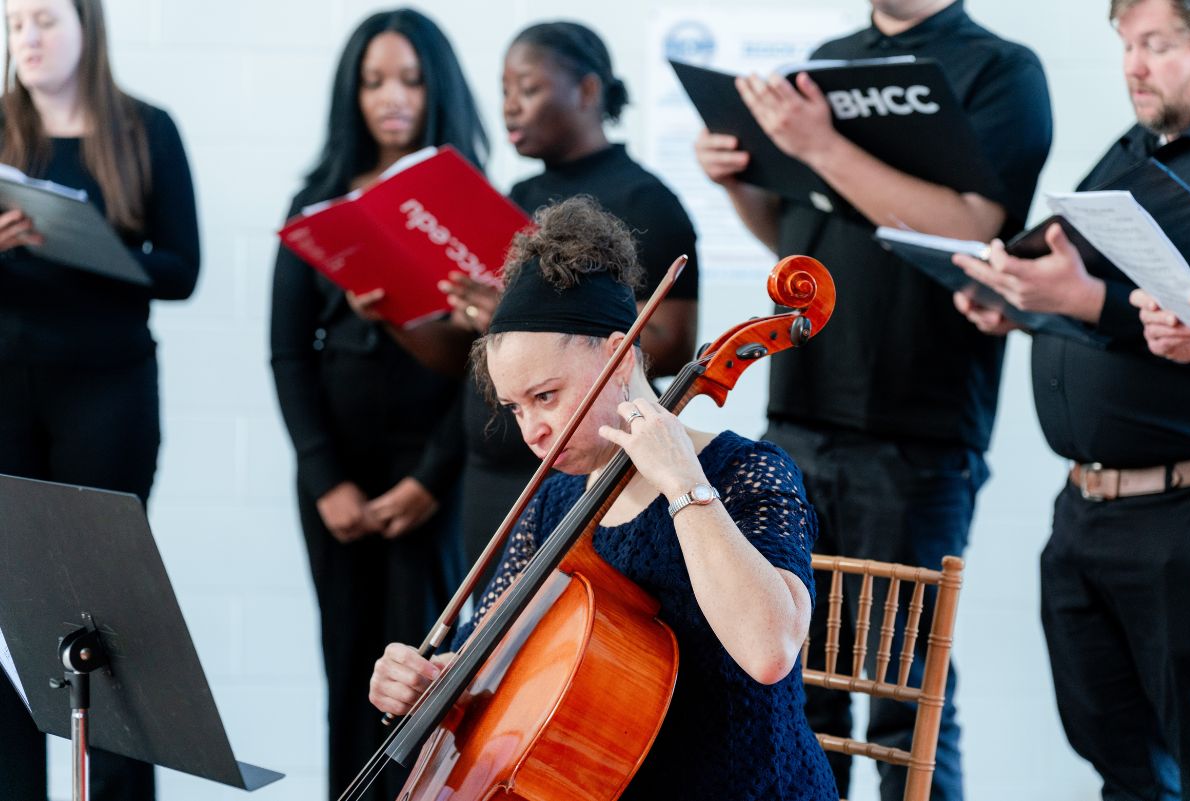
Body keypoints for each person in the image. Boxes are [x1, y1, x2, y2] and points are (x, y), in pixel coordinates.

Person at [693, 2, 1052, 799]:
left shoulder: (1001, 70)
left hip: (915, 431)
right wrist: (738, 184)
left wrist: (819, 143)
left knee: (903, 701)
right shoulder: (827, 59)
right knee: (796, 687)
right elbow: (800, 240)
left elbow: (974, 228)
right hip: (798, 412)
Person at [367, 196, 837, 801]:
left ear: (617, 356)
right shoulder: (555, 499)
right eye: (515, 408)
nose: (531, 429)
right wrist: (433, 682)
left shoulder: (747, 470)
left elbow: (770, 650)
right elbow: (493, 663)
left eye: (545, 395)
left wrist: (684, 485)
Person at [952, 1, 1190, 795]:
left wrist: (1084, 300)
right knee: (1120, 766)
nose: (1133, 65)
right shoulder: (1130, 151)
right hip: (1084, 513)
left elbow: (1119, 304)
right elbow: (1102, 293)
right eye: (1126, 44)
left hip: (1179, 519)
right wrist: (1023, 303)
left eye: (1157, 45)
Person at [268, 10, 485, 800]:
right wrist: (325, 479)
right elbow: (287, 351)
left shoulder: (468, 201)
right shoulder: (316, 197)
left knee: (425, 678)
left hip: (435, 471)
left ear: (439, 90)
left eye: (410, 79)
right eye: (373, 81)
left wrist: (430, 479)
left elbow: (488, 365)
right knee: (347, 665)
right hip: (339, 479)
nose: (391, 97)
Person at [0, 0, 200, 798]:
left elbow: (182, 270)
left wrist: (93, 247)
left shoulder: (145, 129)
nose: (30, 38)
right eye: (16, 25)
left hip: (108, 394)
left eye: (45, 20)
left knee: (107, 613)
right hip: (8, 395)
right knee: (14, 606)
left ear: (88, 25)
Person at [428, 21, 701, 598]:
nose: (509, 107)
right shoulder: (517, 196)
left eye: (526, 87)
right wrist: (480, 319)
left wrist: (536, 321)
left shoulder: (645, 199)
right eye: (503, 91)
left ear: (587, 91)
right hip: (490, 474)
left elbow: (672, 340)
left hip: (585, 470)